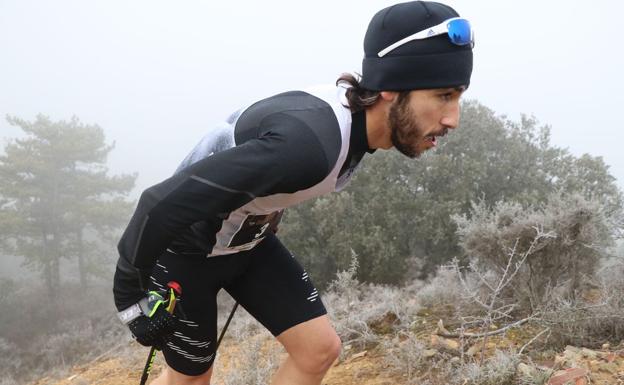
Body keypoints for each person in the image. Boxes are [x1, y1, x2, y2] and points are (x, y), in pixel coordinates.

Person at [112, 1, 474, 384]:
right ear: (389, 89)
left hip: (246, 242)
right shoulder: (308, 148)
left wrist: (270, 208)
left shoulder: (354, 127)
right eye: (443, 96)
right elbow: (158, 202)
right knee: (191, 379)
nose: (453, 118)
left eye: (458, 97)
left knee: (319, 350)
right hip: (188, 253)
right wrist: (130, 300)